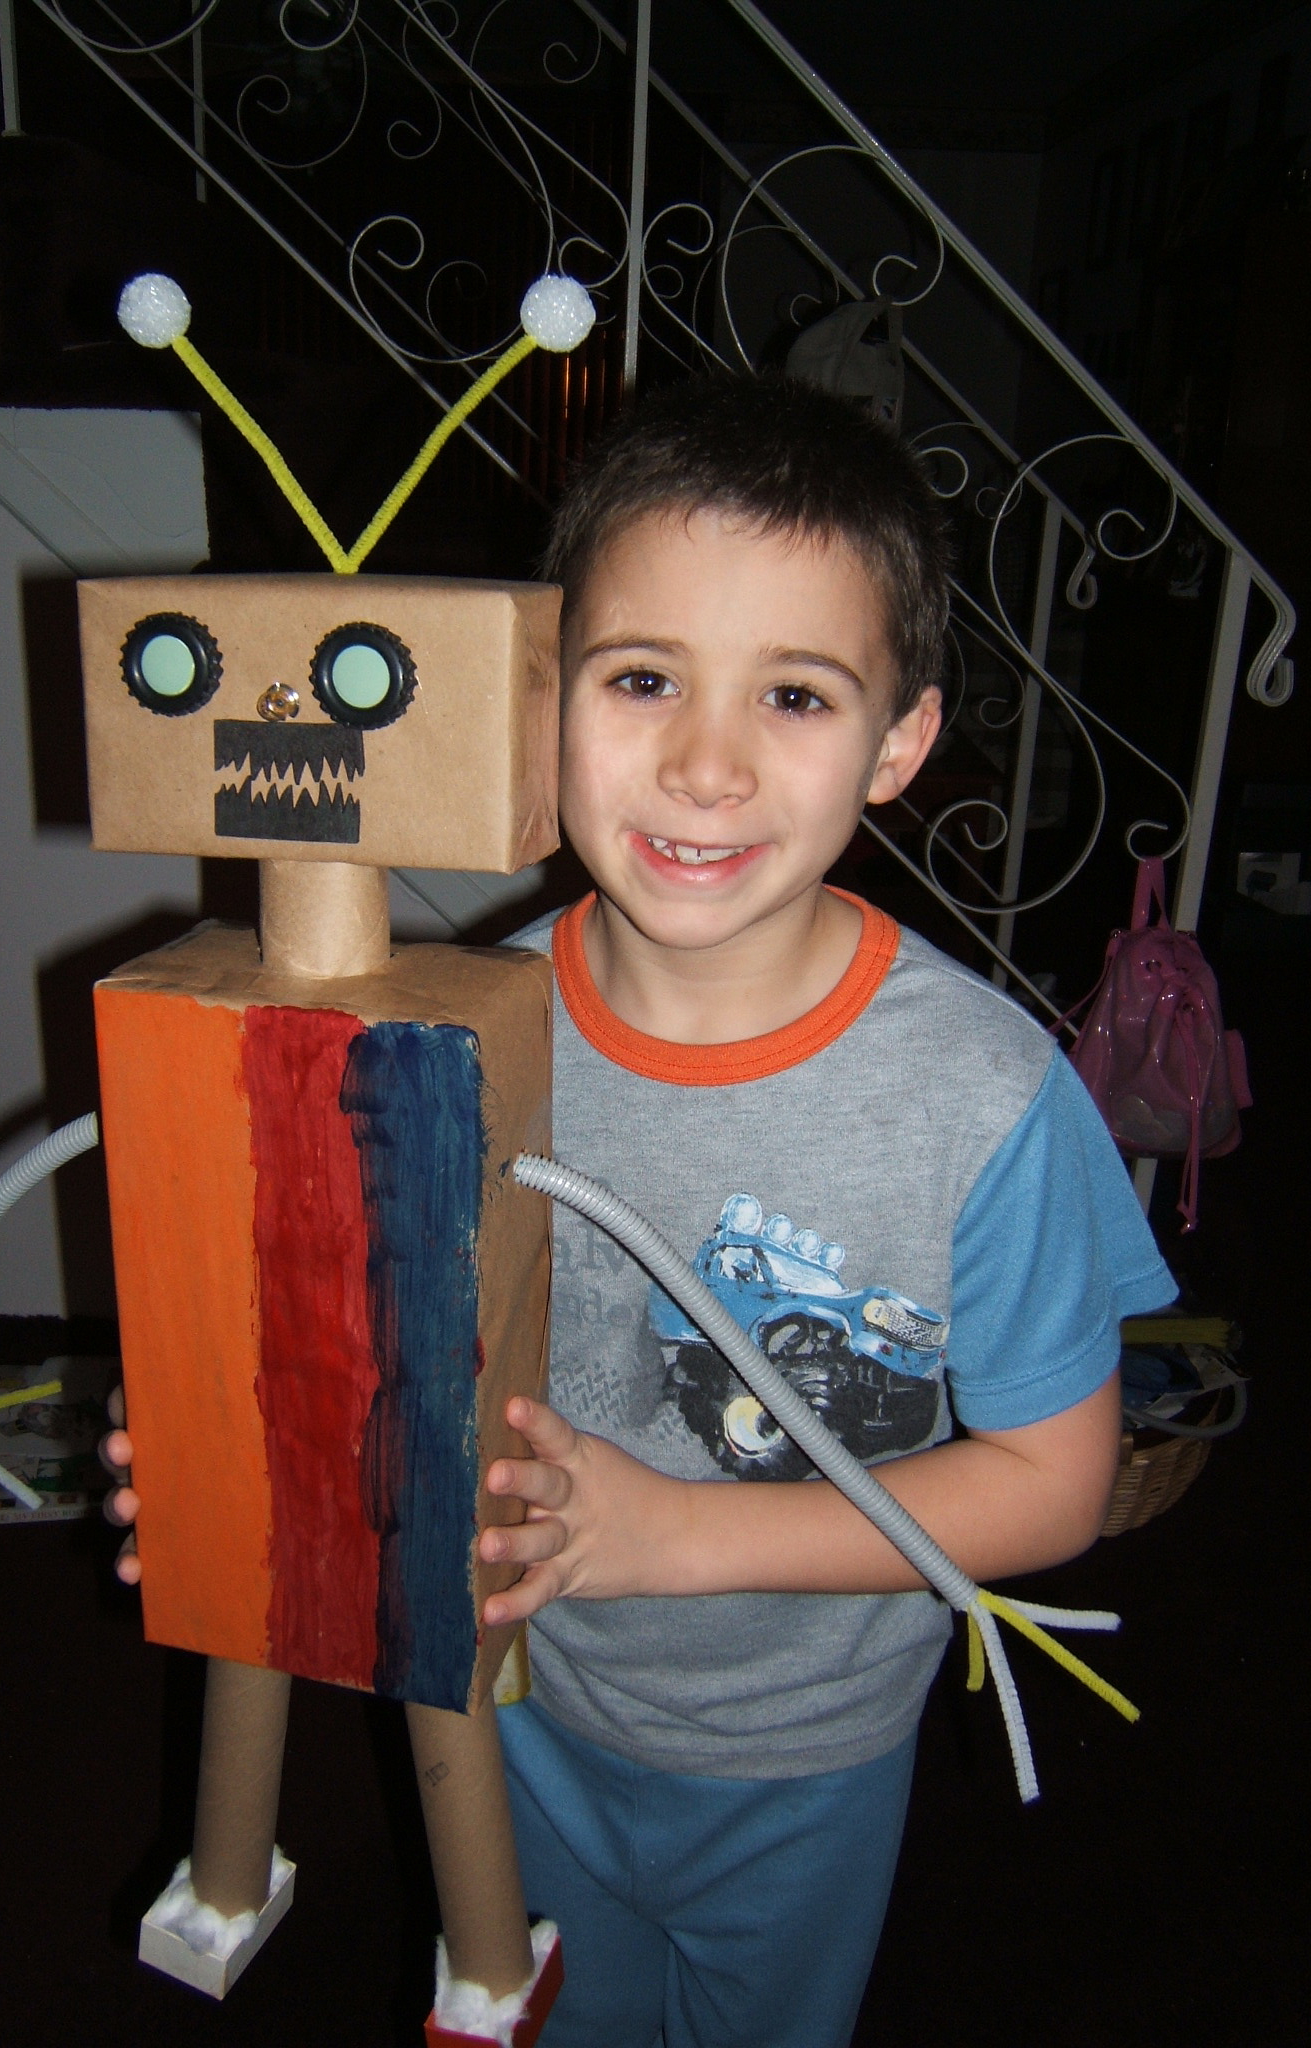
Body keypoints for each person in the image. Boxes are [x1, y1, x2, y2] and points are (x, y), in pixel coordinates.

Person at [105, 375, 1175, 2047]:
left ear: (900, 744)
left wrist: (674, 1537)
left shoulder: (985, 1098)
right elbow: (371, 1319)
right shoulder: (456, 1032)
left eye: (796, 695)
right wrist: (226, 1446)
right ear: (543, 699)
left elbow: (1057, 1485)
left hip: (802, 1751)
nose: (705, 764)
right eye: (644, 677)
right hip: (524, 1702)